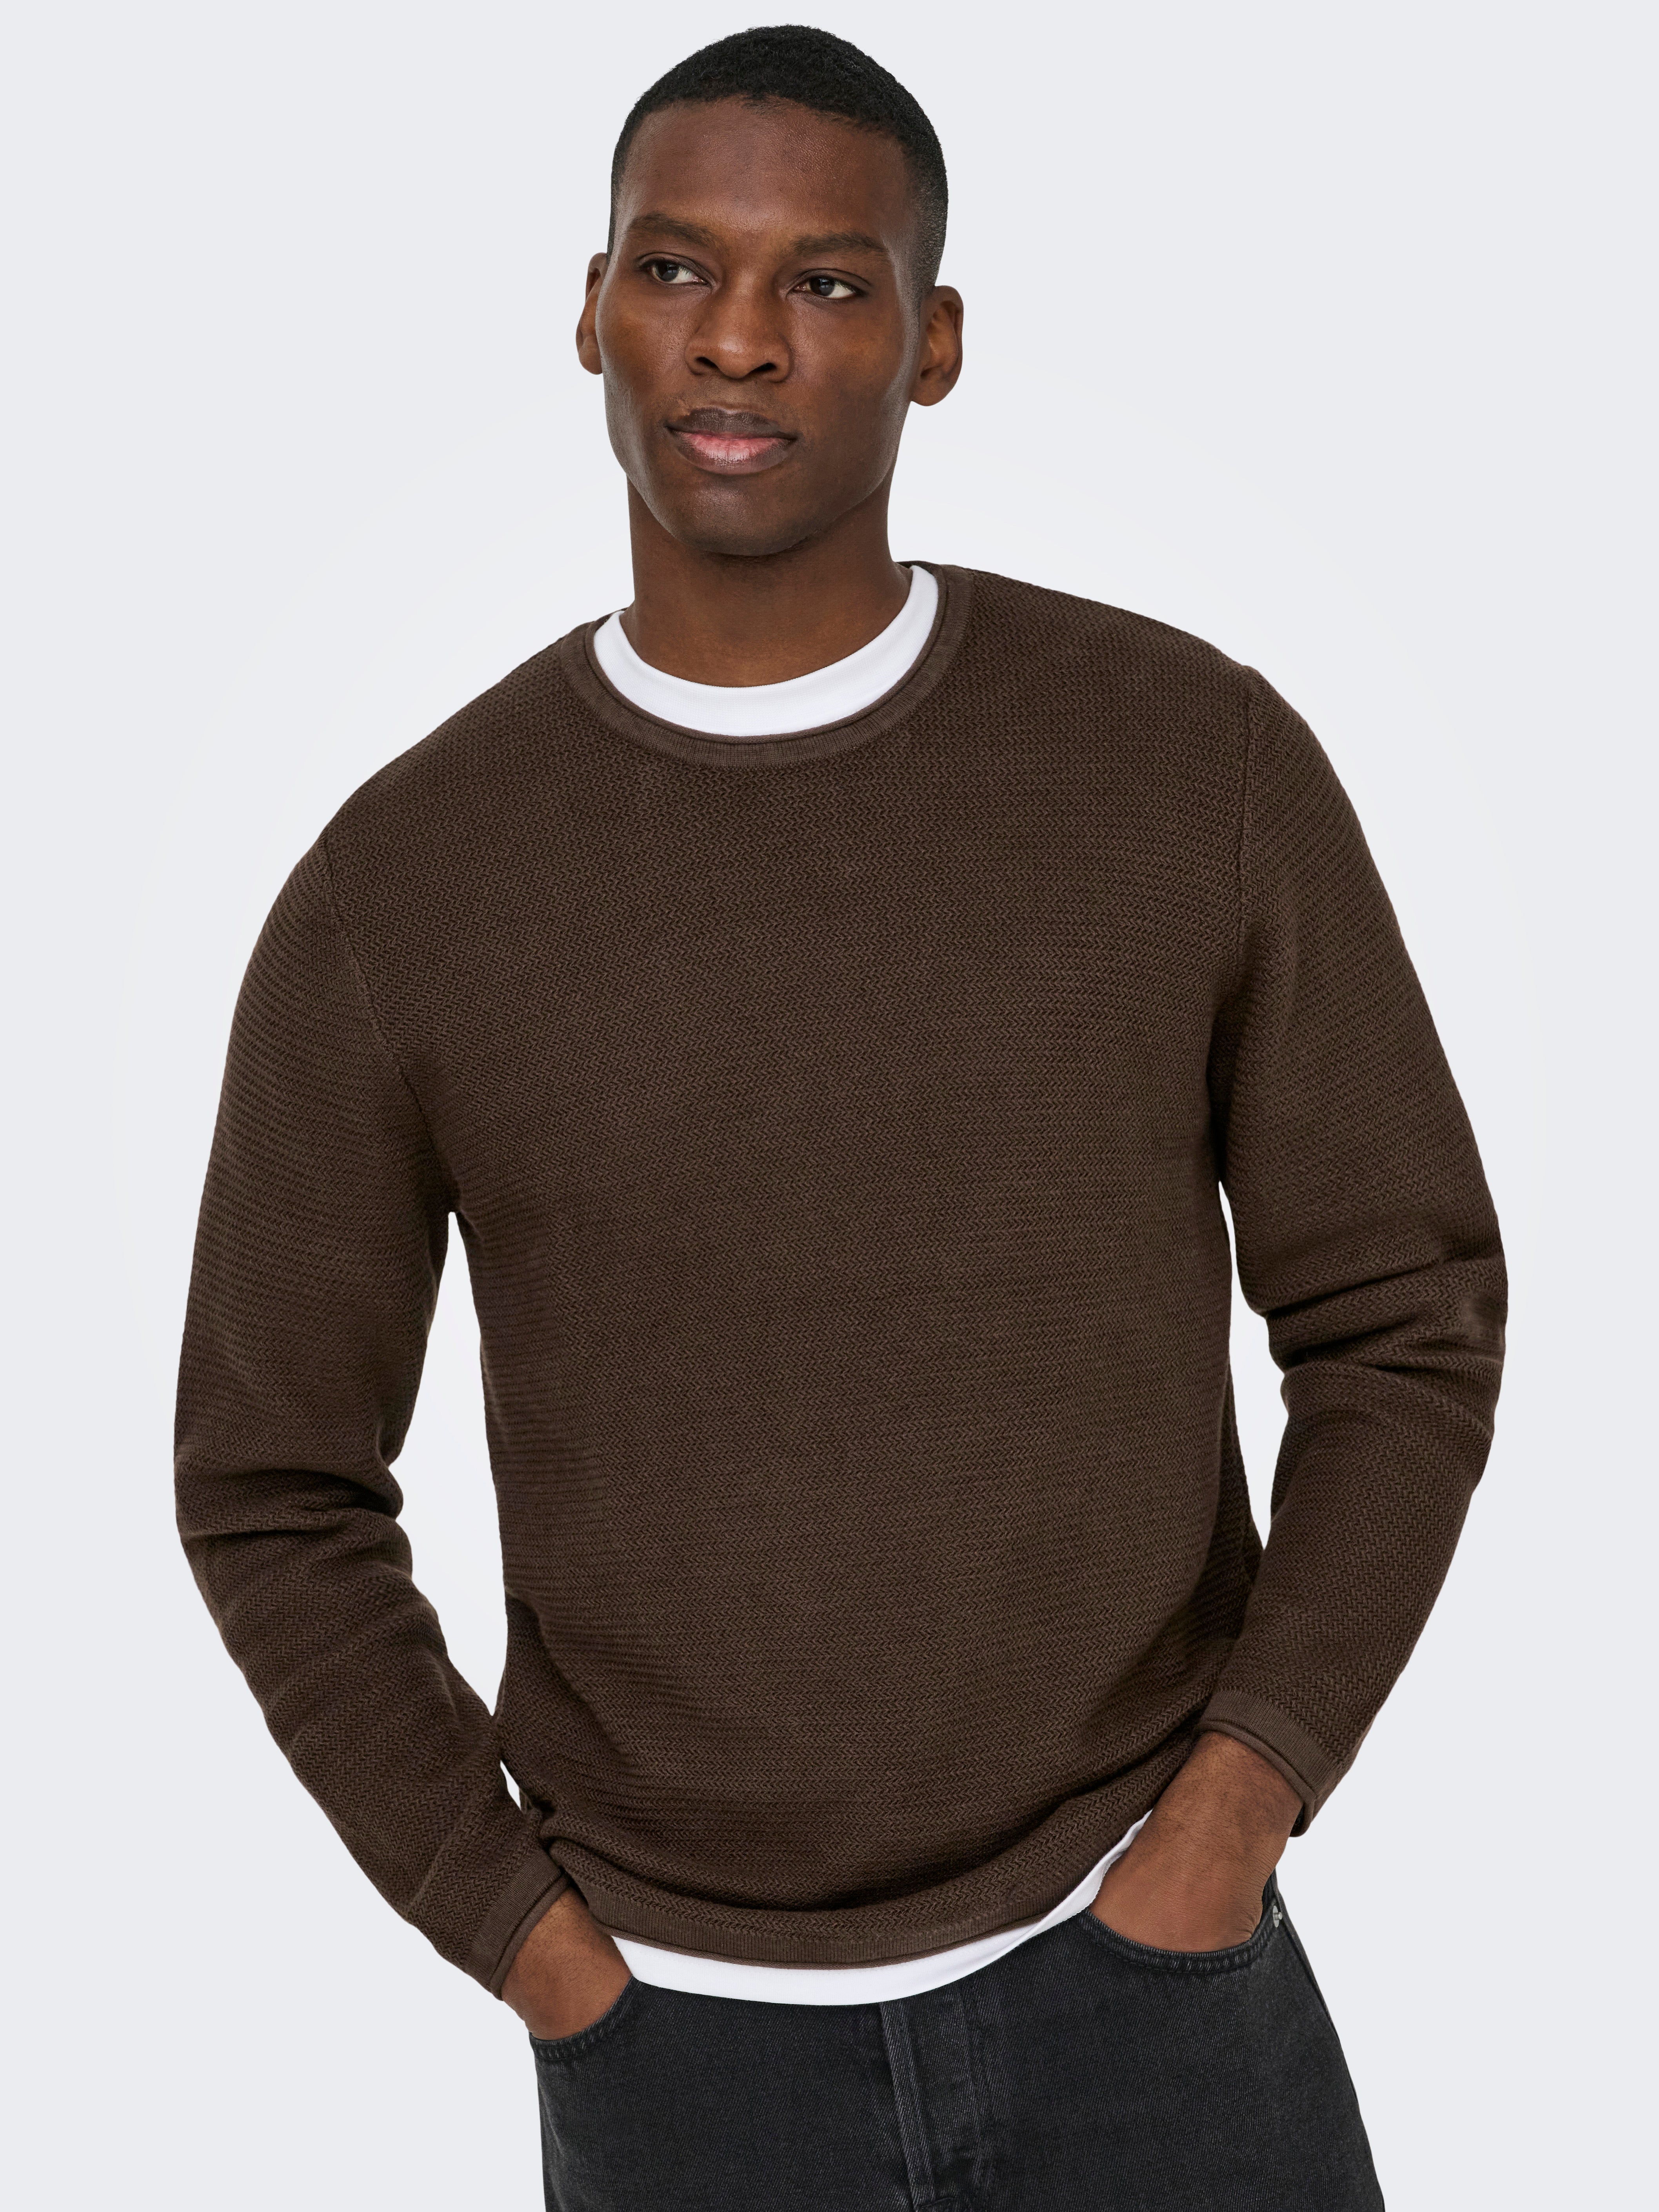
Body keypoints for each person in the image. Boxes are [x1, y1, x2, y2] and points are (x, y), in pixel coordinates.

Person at [174, 25, 1505, 2209]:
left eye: (825, 280)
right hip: (680, 2062)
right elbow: (270, 1485)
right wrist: (533, 1951)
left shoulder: (1190, 764)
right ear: (589, 313)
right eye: (677, 267)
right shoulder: (403, 888)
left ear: (933, 342)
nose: (739, 337)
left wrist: (1237, 1805)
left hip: (1154, 1988)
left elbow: (1402, 1318)